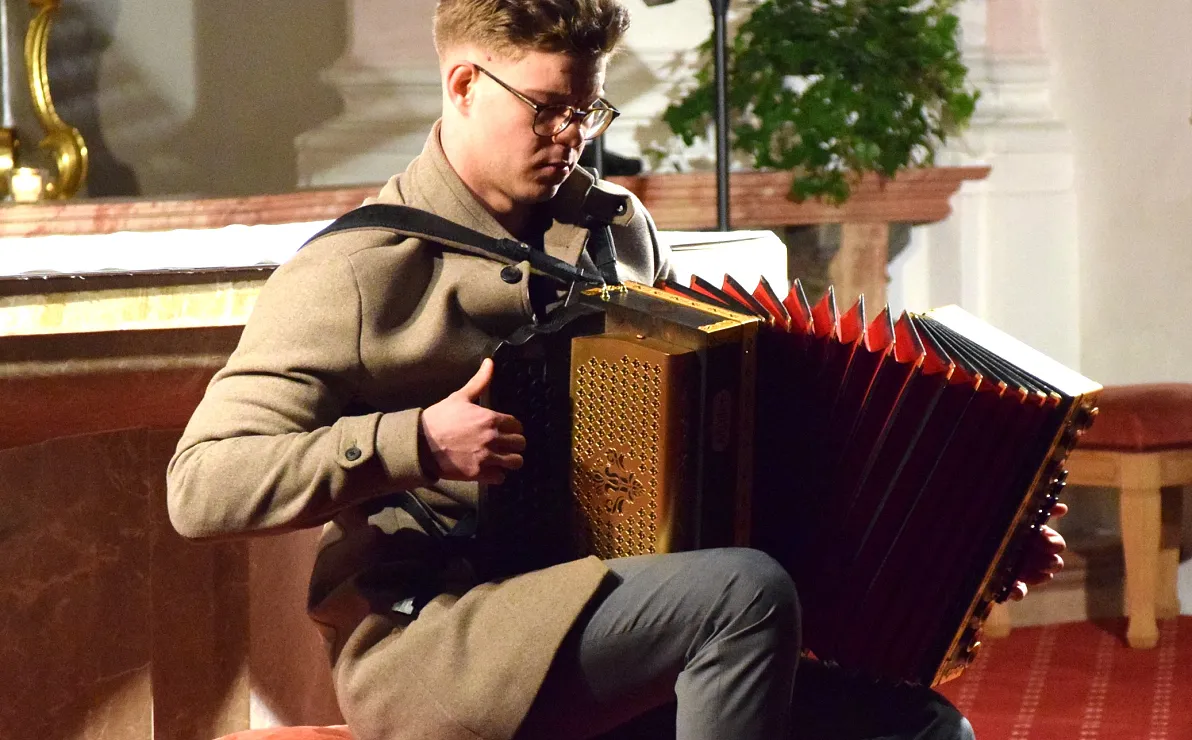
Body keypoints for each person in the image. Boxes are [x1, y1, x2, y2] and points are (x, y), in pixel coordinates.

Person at [166, 2, 1067, 738]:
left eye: (589, 112)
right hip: (443, 640)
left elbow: (737, 427)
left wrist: (960, 541)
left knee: (923, 730)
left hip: (623, 615)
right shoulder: (360, 271)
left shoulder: (615, 229)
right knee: (740, 597)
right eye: (549, 108)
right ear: (464, 85)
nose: (573, 137)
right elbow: (201, 487)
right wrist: (417, 443)